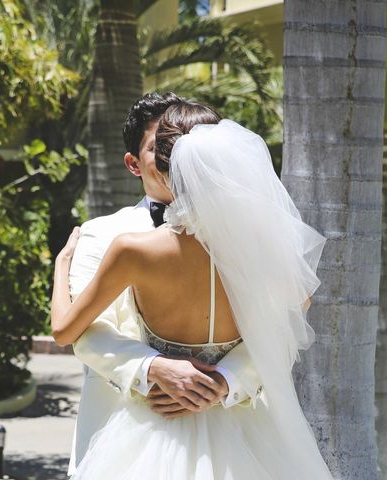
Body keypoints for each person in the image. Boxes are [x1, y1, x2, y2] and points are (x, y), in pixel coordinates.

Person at [52, 102, 333, 478]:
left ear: (170, 165)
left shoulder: (132, 249)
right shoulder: (256, 244)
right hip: (218, 437)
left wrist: (226, 381)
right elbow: (292, 317)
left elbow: (65, 329)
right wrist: (154, 368)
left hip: (162, 438)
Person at [65, 93, 263, 477]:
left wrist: (227, 380)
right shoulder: (103, 234)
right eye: (161, 147)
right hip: (126, 436)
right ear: (135, 163)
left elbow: (279, 331)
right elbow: (86, 331)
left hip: (237, 436)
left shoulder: (246, 238)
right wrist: (153, 367)